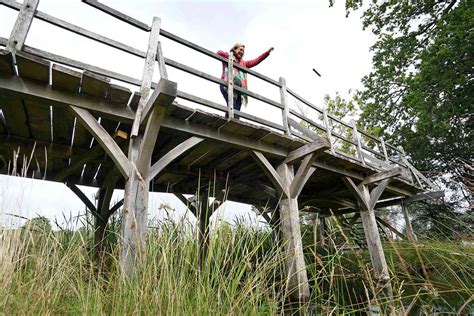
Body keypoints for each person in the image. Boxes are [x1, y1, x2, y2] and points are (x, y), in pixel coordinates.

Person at [217, 43, 274, 111]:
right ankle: (230, 117)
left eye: (243, 51)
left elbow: (256, 61)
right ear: (234, 49)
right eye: (240, 49)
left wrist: (267, 53)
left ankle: (233, 119)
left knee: (237, 110)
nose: (242, 52)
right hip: (226, 84)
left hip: (239, 89)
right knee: (232, 105)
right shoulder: (228, 56)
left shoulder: (244, 63)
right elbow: (219, 53)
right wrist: (230, 58)